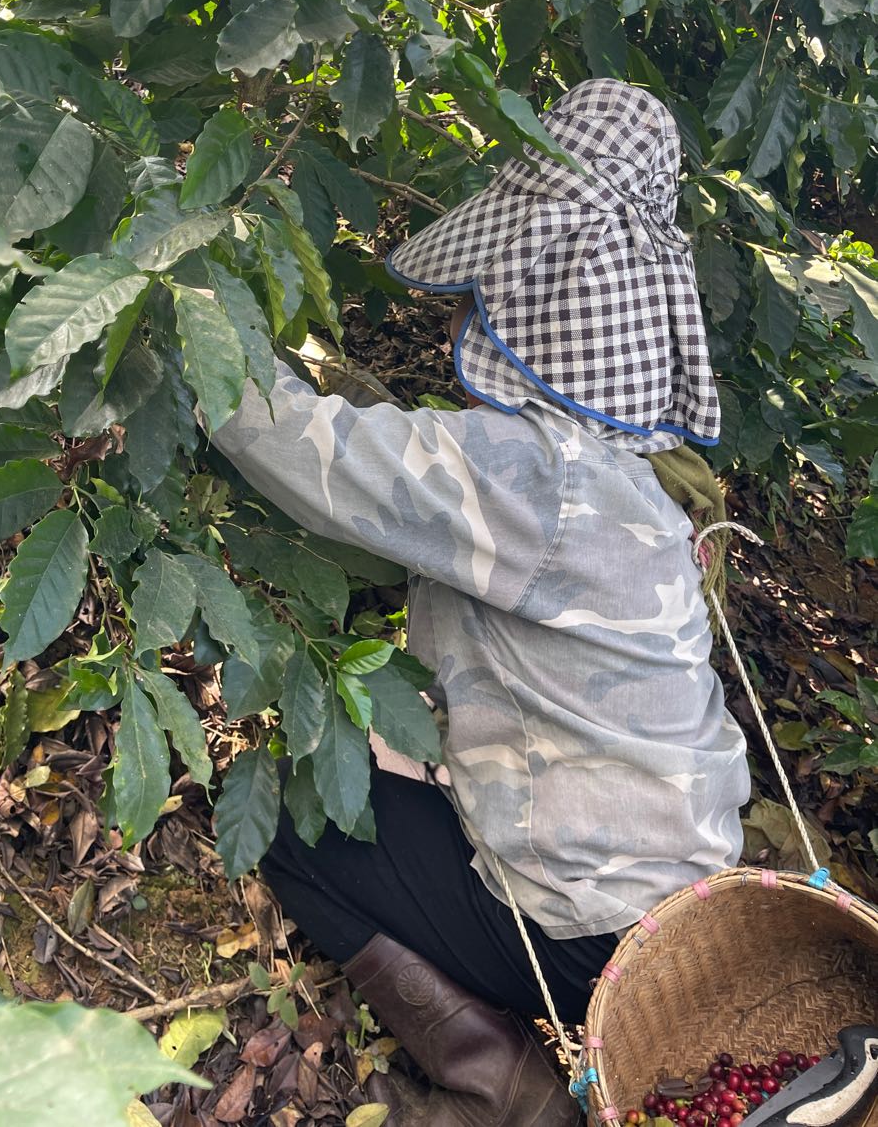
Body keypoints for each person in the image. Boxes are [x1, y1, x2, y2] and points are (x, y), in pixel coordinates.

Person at [207, 80, 751, 1126]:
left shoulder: (526, 477)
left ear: (520, 315)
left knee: (286, 814)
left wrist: (189, 317)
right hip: (691, 917)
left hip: (586, 937)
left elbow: (306, 452)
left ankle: (501, 1082)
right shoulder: (632, 478)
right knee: (388, 764)